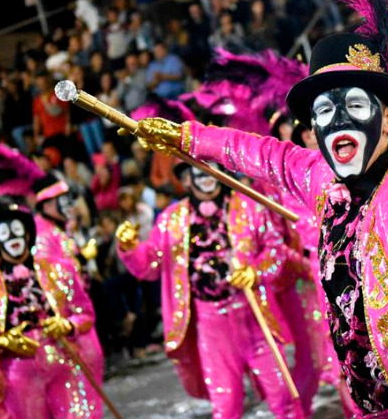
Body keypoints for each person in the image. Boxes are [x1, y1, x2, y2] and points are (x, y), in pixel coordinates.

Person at [133, 32, 388, 417]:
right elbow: (261, 153)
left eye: (354, 106)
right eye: (326, 111)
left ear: (386, 120)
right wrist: (186, 139)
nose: (338, 121)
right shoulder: (322, 177)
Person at [116, 162, 305, 418]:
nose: (207, 177)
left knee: (284, 395)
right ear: (188, 179)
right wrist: (128, 248)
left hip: (255, 316)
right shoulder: (172, 219)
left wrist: (255, 271)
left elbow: (274, 250)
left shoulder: (248, 206)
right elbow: (150, 265)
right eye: (199, 171)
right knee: (226, 404)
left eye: (211, 169)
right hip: (211, 325)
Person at [0, 204, 103, 419]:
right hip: (18, 377)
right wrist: (0, 341)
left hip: (64, 365)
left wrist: (67, 324)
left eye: (17, 229)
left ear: (28, 233)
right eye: (4, 233)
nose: (13, 236)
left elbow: (86, 313)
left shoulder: (59, 269)